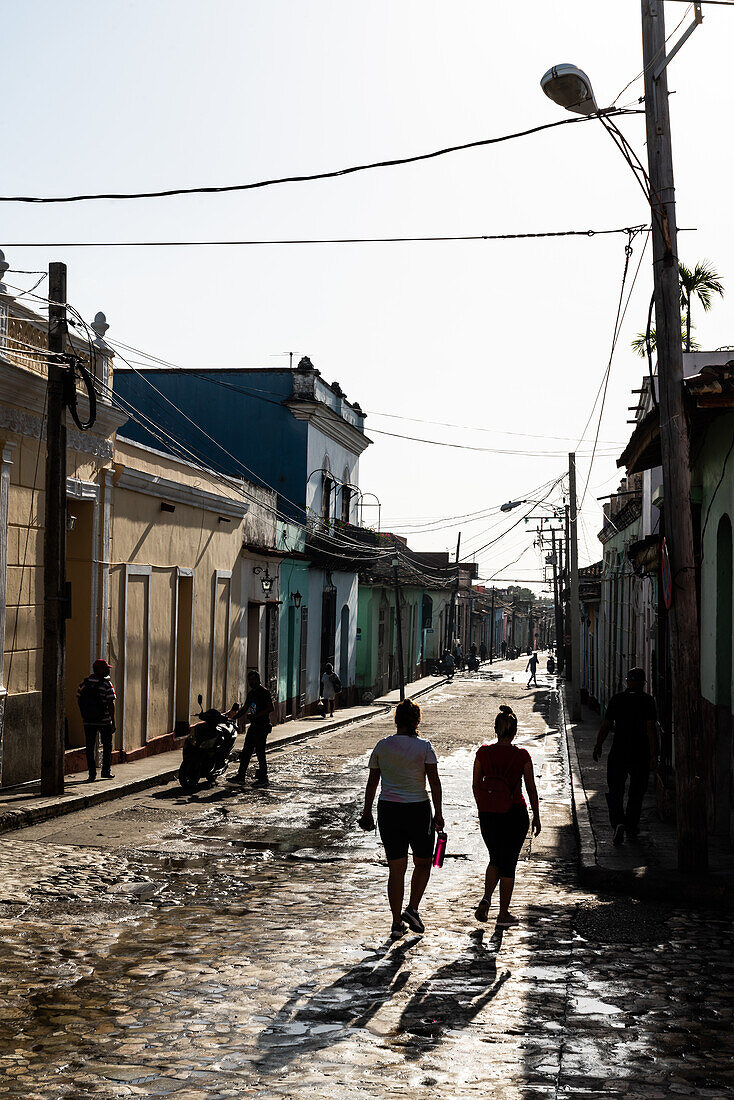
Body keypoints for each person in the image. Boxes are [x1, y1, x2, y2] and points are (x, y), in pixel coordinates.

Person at [359, 699, 444, 940]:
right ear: (416, 721)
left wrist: (367, 812)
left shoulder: (382, 746)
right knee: (423, 863)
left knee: (396, 869)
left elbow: (372, 783)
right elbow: (434, 783)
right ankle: (413, 909)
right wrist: (438, 813)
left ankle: (396, 923)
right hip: (418, 810)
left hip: (389, 811)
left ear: (397, 720)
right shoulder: (424, 747)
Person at [472, 705, 541, 928]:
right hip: (514, 813)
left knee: (494, 857)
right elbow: (530, 788)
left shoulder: (483, 753)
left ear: (496, 729)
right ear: (514, 732)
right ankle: (503, 914)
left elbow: (475, 785)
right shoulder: (521, 755)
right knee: (509, 862)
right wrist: (536, 816)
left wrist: (483, 807)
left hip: (488, 815)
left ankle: (486, 898)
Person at [593, 667, 658, 845]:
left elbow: (606, 725)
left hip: (619, 750)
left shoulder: (617, 699)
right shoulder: (648, 700)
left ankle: (618, 822)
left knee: (615, 790)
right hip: (640, 752)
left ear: (627, 681)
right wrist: (654, 754)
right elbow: (651, 728)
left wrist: (598, 745)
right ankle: (631, 824)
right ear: (643, 683)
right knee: (636, 791)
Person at [227, 670, 275, 787]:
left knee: (260, 752)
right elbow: (245, 708)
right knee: (246, 752)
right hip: (254, 726)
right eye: (250, 680)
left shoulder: (264, 692)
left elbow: (270, 708)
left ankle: (264, 778)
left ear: (258, 680)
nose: (252, 682)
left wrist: (256, 716)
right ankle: (241, 776)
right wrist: (235, 717)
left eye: (254, 679)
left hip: (262, 726)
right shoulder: (251, 694)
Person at [77, 659, 116, 782]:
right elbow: (110, 704)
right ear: (100, 670)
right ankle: (106, 771)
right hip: (104, 721)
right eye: (106, 668)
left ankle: (92, 774)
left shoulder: (84, 683)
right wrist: (112, 721)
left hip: (88, 721)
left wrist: (84, 714)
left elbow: (79, 699)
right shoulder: (106, 684)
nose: (108, 670)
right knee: (107, 746)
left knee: (89, 747)